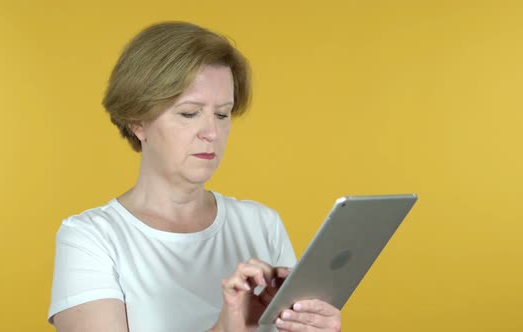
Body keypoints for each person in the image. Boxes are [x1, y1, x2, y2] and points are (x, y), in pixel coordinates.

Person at [48, 21, 342, 332]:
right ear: (138, 122)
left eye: (222, 114)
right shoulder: (91, 239)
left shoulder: (262, 225)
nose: (211, 133)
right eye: (189, 113)